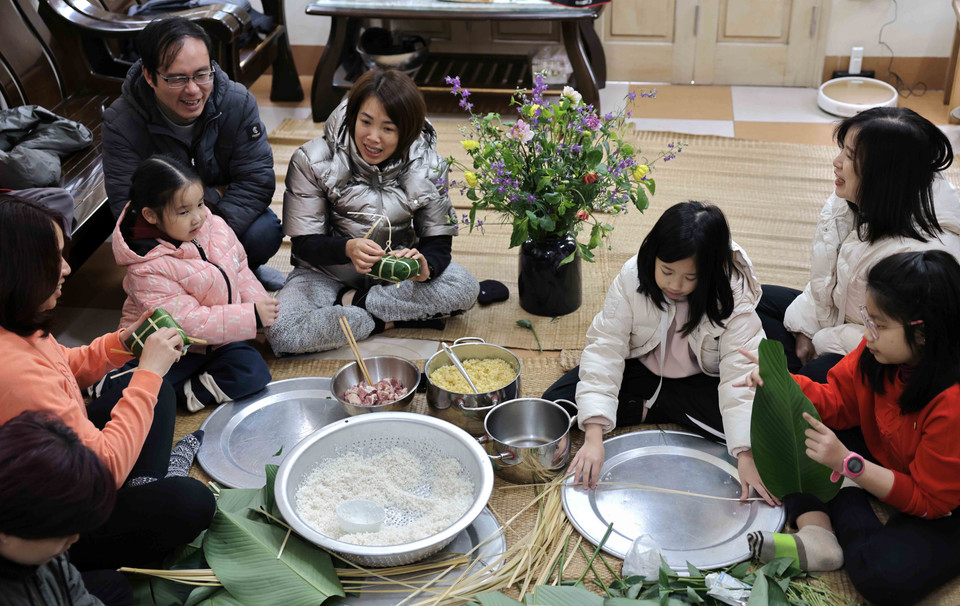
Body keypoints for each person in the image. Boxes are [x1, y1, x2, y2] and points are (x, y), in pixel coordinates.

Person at [0, 194, 215, 572]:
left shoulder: (15, 319)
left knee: (156, 391)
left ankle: (147, 482)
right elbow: (103, 470)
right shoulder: (13, 374)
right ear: (17, 270)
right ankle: (148, 491)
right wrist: (148, 371)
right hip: (64, 514)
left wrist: (123, 343)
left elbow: (62, 366)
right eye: (53, 259)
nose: (66, 269)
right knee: (190, 502)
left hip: (66, 448)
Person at [741, 251, 960, 606]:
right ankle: (822, 531)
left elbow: (928, 499)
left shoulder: (952, 404)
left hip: (943, 497)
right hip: (886, 452)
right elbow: (837, 400)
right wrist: (781, 383)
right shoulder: (877, 353)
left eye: (879, 325)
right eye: (867, 319)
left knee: (880, 576)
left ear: (922, 334)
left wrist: (848, 465)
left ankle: (835, 516)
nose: (867, 333)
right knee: (802, 398)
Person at [544, 201, 775, 504]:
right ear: (653, 255)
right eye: (667, 271)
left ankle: (651, 407)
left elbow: (739, 373)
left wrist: (745, 453)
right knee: (556, 401)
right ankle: (660, 406)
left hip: (701, 377)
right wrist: (593, 437)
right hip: (641, 366)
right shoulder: (631, 277)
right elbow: (605, 348)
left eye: (690, 278)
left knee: (759, 433)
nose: (675, 285)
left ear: (709, 272)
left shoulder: (732, 294)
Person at [267, 68, 479, 355]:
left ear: (407, 132)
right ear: (353, 115)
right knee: (282, 332)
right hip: (324, 273)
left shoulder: (428, 165)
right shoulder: (312, 159)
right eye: (365, 122)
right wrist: (348, 248)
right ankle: (381, 319)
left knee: (465, 287)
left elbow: (438, 241)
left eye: (388, 129)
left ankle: (356, 303)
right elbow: (305, 243)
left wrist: (424, 265)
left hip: (395, 276)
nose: (373, 138)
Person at [757, 107, 960, 383]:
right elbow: (830, 280)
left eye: (850, 156)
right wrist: (805, 328)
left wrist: (821, 341)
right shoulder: (859, 196)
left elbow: (898, 343)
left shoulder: (920, 257)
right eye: (843, 149)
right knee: (755, 301)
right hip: (842, 319)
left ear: (884, 173)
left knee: (812, 379)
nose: (836, 162)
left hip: (880, 355)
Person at [101, 17, 285, 291]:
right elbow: (129, 208)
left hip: (219, 223)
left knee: (265, 230)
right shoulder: (122, 122)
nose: (193, 90)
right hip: (167, 239)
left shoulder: (237, 102)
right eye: (177, 78)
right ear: (149, 76)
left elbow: (256, 180)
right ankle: (197, 282)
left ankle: (242, 269)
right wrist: (212, 195)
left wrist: (209, 233)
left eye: (202, 74)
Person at [96, 155, 274, 412]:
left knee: (253, 370)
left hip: (216, 339)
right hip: (170, 347)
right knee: (138, 390)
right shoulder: (146, 266)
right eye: (184, 212)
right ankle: (110, 382)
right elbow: (186, 323)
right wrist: (249, 317)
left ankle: (188, 392)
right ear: (151, 215)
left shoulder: (213, 225)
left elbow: (240, 267)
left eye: (200, 204)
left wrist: (259, 303)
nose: (198, 217)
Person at [0, 411, 130, 606]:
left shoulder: (47, 557)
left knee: (118, 585)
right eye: (62, 532)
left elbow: (78, 595)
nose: (74, 538)